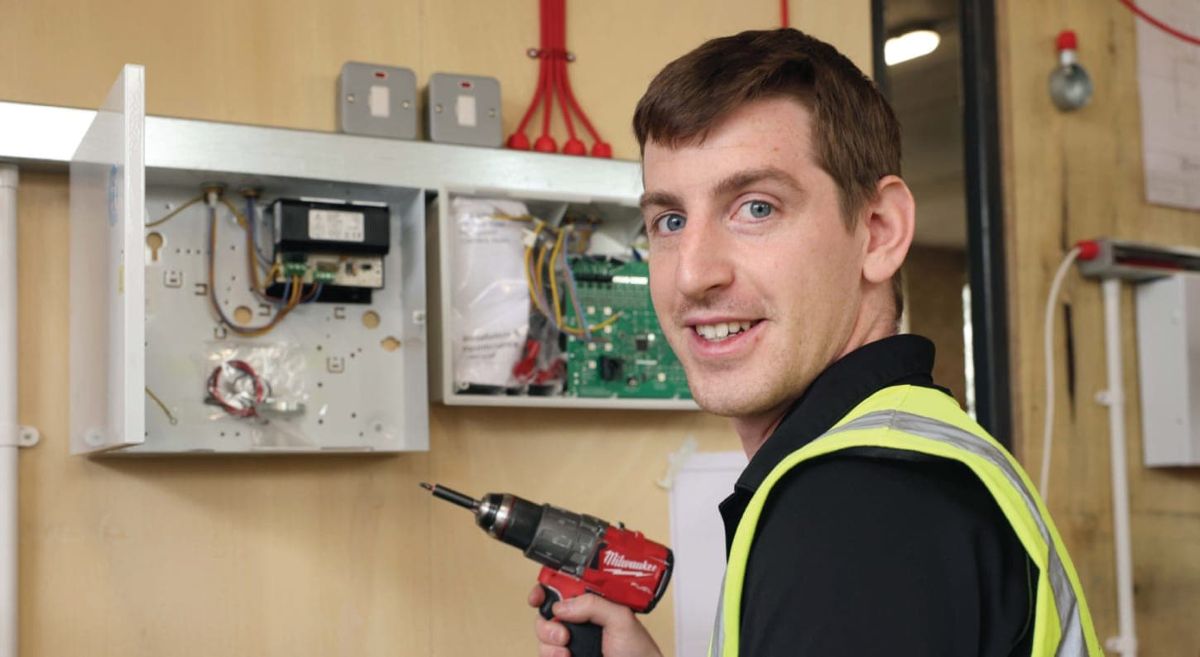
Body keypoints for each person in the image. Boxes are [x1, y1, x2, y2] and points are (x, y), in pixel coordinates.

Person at [529, 28, 1102, 657]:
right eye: (669, 221)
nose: (693, 274)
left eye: (756, 208)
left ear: (879, 232)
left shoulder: (859, 515)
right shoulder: (905, 460)